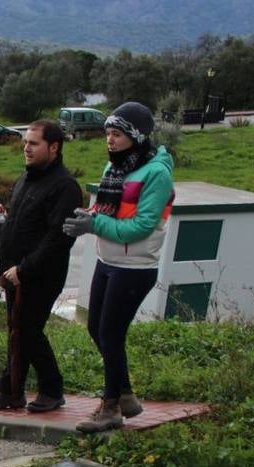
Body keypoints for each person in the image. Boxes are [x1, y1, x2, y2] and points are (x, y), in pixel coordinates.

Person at [62, 101, 175, 433]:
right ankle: (124, 394)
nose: (109, 140)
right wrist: (89, 217)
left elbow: (141, 226)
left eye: (117, 134)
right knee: (96, 328)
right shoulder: (115, 168)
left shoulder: (156, 173)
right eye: (107, 134)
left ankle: (111, 407)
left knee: (111, 333)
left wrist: (94, 226)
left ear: (136, 136)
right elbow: (105, 209)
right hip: (109, 260)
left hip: (136, 266)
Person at [0, 119, 83, 414]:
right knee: (17, 331)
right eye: (25, 142)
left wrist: (24, 269)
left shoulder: (65, 187)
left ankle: (52, 390)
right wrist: (3, 256)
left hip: (41, 275)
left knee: (28, 331)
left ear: (54, 147)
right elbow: (12, 224)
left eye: (33, 143)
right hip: (13, 274)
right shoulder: (25, 179)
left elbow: (58, 239)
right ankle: (11, 392)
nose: (26, 148)